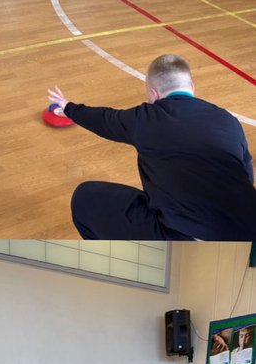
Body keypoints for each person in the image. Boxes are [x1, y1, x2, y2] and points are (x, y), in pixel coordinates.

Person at [49, 54, 256, 240]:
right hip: (248, 233)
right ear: (193, 88)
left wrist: (68, 107)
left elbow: (104, 119)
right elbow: (247, 175)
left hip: (190, 239)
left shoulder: (146, 118)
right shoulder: (228, 120)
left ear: (154, 93)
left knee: (86, 198)